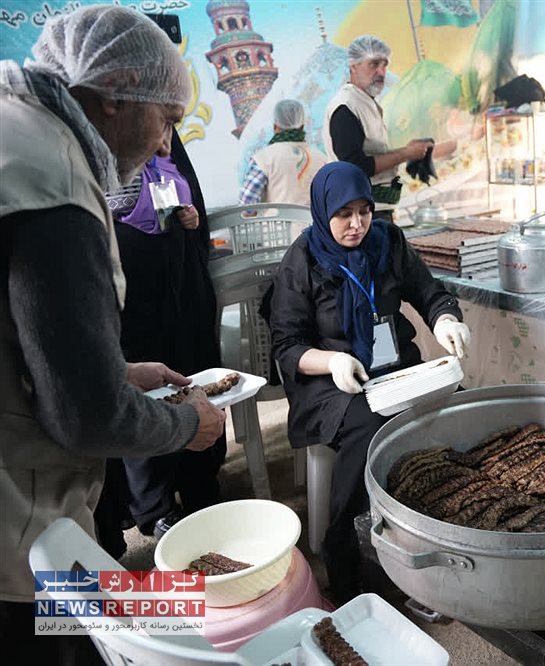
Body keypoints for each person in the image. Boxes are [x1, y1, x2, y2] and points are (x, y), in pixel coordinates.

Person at [0, 5, 226, 662]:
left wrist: (118, 371)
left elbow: (26, 341)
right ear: (117, 92)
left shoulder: (18, 135)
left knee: (123, 618)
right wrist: (188, 426)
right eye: (166, 118)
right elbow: (87, 416)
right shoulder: (54, 184)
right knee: (79, 639)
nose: (165, 144)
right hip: (16, 525)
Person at [268, 161, 470, 602]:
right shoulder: (303, 260)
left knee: (459, 406)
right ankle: (345, 553)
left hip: (393, 367)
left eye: (364, 211)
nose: (357, 224)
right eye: (344, 214)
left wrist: (445, 320)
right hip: (332, 382)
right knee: (371, 427)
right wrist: (332, 361)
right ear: (323, 212)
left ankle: (448, 526)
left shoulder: (388, 241)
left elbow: (430, 292)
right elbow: (287, 346)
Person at [97, 123, 227, 552]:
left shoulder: (161, 138)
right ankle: (154, 507)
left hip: (178, 285)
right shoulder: (90, 146)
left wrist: (189, 218)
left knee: (187, 376)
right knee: (142, 389)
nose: (166, 137)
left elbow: (186, 201)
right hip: (125, 298)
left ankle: (199, 482)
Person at [323, 35, 446, 221]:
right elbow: (354, 166)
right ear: (354, 66)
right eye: (374, 64)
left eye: (384, 65)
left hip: (376, 209)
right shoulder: (345, 106)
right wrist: (406, 153)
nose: (381, 72)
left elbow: (373, 154)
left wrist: (410, 151)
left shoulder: (365, 101)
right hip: (360, 215)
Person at [239, 99, 327, 206]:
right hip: (312, 217)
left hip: (275, 217)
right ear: (302, 126)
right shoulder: (322, 159)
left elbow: (247, 203)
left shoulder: (263, 158)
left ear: (275, 126)